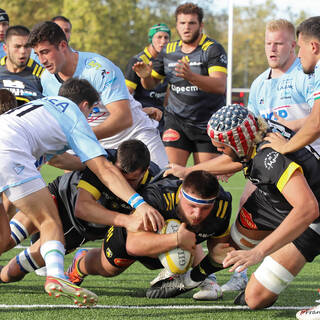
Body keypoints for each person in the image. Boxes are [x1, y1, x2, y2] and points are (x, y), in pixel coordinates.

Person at [0, 78, 164, 306]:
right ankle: (56, 277)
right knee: (49, 222)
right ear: (85, 105)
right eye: (93, 110)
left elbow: (58, 159)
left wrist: (88, 163)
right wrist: (139, 204)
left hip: (6, 145)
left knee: (3, 240)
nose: (90, 117)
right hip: (13, 155)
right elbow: (104, 168)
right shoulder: (74, 116)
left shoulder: (45, 106)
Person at [162, 104, 320, 309]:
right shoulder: (257, 134)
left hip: (311, 217)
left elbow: (308, 208)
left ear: (238, 142)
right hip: (275, 198)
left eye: (222, 146)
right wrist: (188, 170)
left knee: (255, 299)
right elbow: (239, 159)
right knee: (231, 246)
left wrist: (259, 252)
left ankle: (269, 273)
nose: (218, 151)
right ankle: (192, 279)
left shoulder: (267, 157)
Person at [221, 18, 316, 294]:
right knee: (245, 201)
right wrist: (236, 159)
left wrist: (285, 134)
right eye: (268, 43)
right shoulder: (260, 83)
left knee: (303, 210)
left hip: (307, 164)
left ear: (293, 46)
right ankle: (240, 272)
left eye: (279, 44)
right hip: (272, 162)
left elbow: (315, 120)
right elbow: (253, 130)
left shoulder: (307, 74)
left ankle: (280, 249)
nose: (272, 49)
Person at [0, 139, 160, 283]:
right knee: (6, 239)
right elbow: (83, 208)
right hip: (63, 197)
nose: (123, 184)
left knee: (11, 273)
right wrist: (127, 220)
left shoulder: (156, 181)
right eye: (119, 176)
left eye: (131, 180)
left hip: (77, 228)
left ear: (145, 171)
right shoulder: (104, 162)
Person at [65, 170, 233, 301]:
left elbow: (217, 245)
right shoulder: (157, 195)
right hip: (138, 234)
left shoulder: (222, 205)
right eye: (192, 206)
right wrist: (176, 240)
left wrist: (206, 274)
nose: (197, 213)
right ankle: (81, 263)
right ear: (181, 194)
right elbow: (133, 244)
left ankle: (193, 277)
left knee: (194, 234)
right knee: (109, 268)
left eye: (205, 208)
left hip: (183, 240)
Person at [28, 21, 168, 168]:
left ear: (63, 46)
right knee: (70, 183)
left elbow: (124, 118)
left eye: (45, 52)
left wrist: (79, 137)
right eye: (37, 54)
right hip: (95, 145)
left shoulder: (98, 68)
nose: (42, 60)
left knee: (161, 185)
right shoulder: (46, 79)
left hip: (135, 136)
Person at [133, 2, 227, 166]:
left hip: (206, 124)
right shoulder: (169, 50)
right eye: (182, 23)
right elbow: (150, 84)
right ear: (176, 25)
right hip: (176, 122)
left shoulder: (212, 49)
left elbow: (219, 86)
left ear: (201, 25)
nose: (186, 27)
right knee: (171, 175)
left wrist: (191, 76)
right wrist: (145, 77)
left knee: (203, 180)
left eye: (192, 23)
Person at [263, 16, 320, 155]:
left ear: (313, 47)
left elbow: (317, 123)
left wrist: (284, 147)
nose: (299, 54)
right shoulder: (258, 83)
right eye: (268, 43)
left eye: (301, 47)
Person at [125, 23, 171, 135]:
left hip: (162, 118)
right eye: (159, 37)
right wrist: (140, 112)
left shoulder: (168, 59)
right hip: (143, 117)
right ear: (151, 39)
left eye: (166, 37)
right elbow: (126, 95)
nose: (163, 41)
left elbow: (168, 92)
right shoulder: (137, 61)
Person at [0, 25, 44, 106]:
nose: (23, 51)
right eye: (17, 46)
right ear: (5, 48)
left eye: (27, 46)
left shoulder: (42, 75)